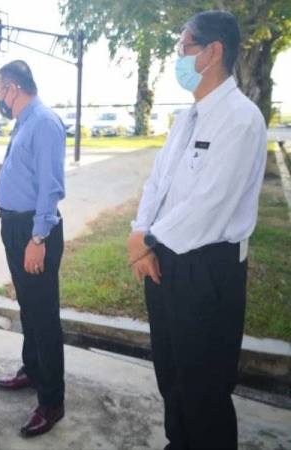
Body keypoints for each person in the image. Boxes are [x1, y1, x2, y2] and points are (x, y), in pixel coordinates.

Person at [127, 11, 267, 450]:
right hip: (164, 258)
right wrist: (141, 233)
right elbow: (158, 182)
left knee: (205, 385)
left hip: (207, 269)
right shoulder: (188, 118)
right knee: (172, 374)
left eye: (185, 48)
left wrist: (147, 240)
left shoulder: (240, 119)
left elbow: (210, 204)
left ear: (213, 52)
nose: (179, 58)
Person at [0, 60, 66, 437]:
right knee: (28, 307)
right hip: (14, 225)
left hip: (33, 232)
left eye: (0, 91)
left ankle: (52, 401)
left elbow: (51, 188)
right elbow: (27, 171)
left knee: (43, 314)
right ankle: (33, 370)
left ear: (14, 88)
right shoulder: (23, 124)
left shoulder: (44, 123)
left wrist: (38, 239)